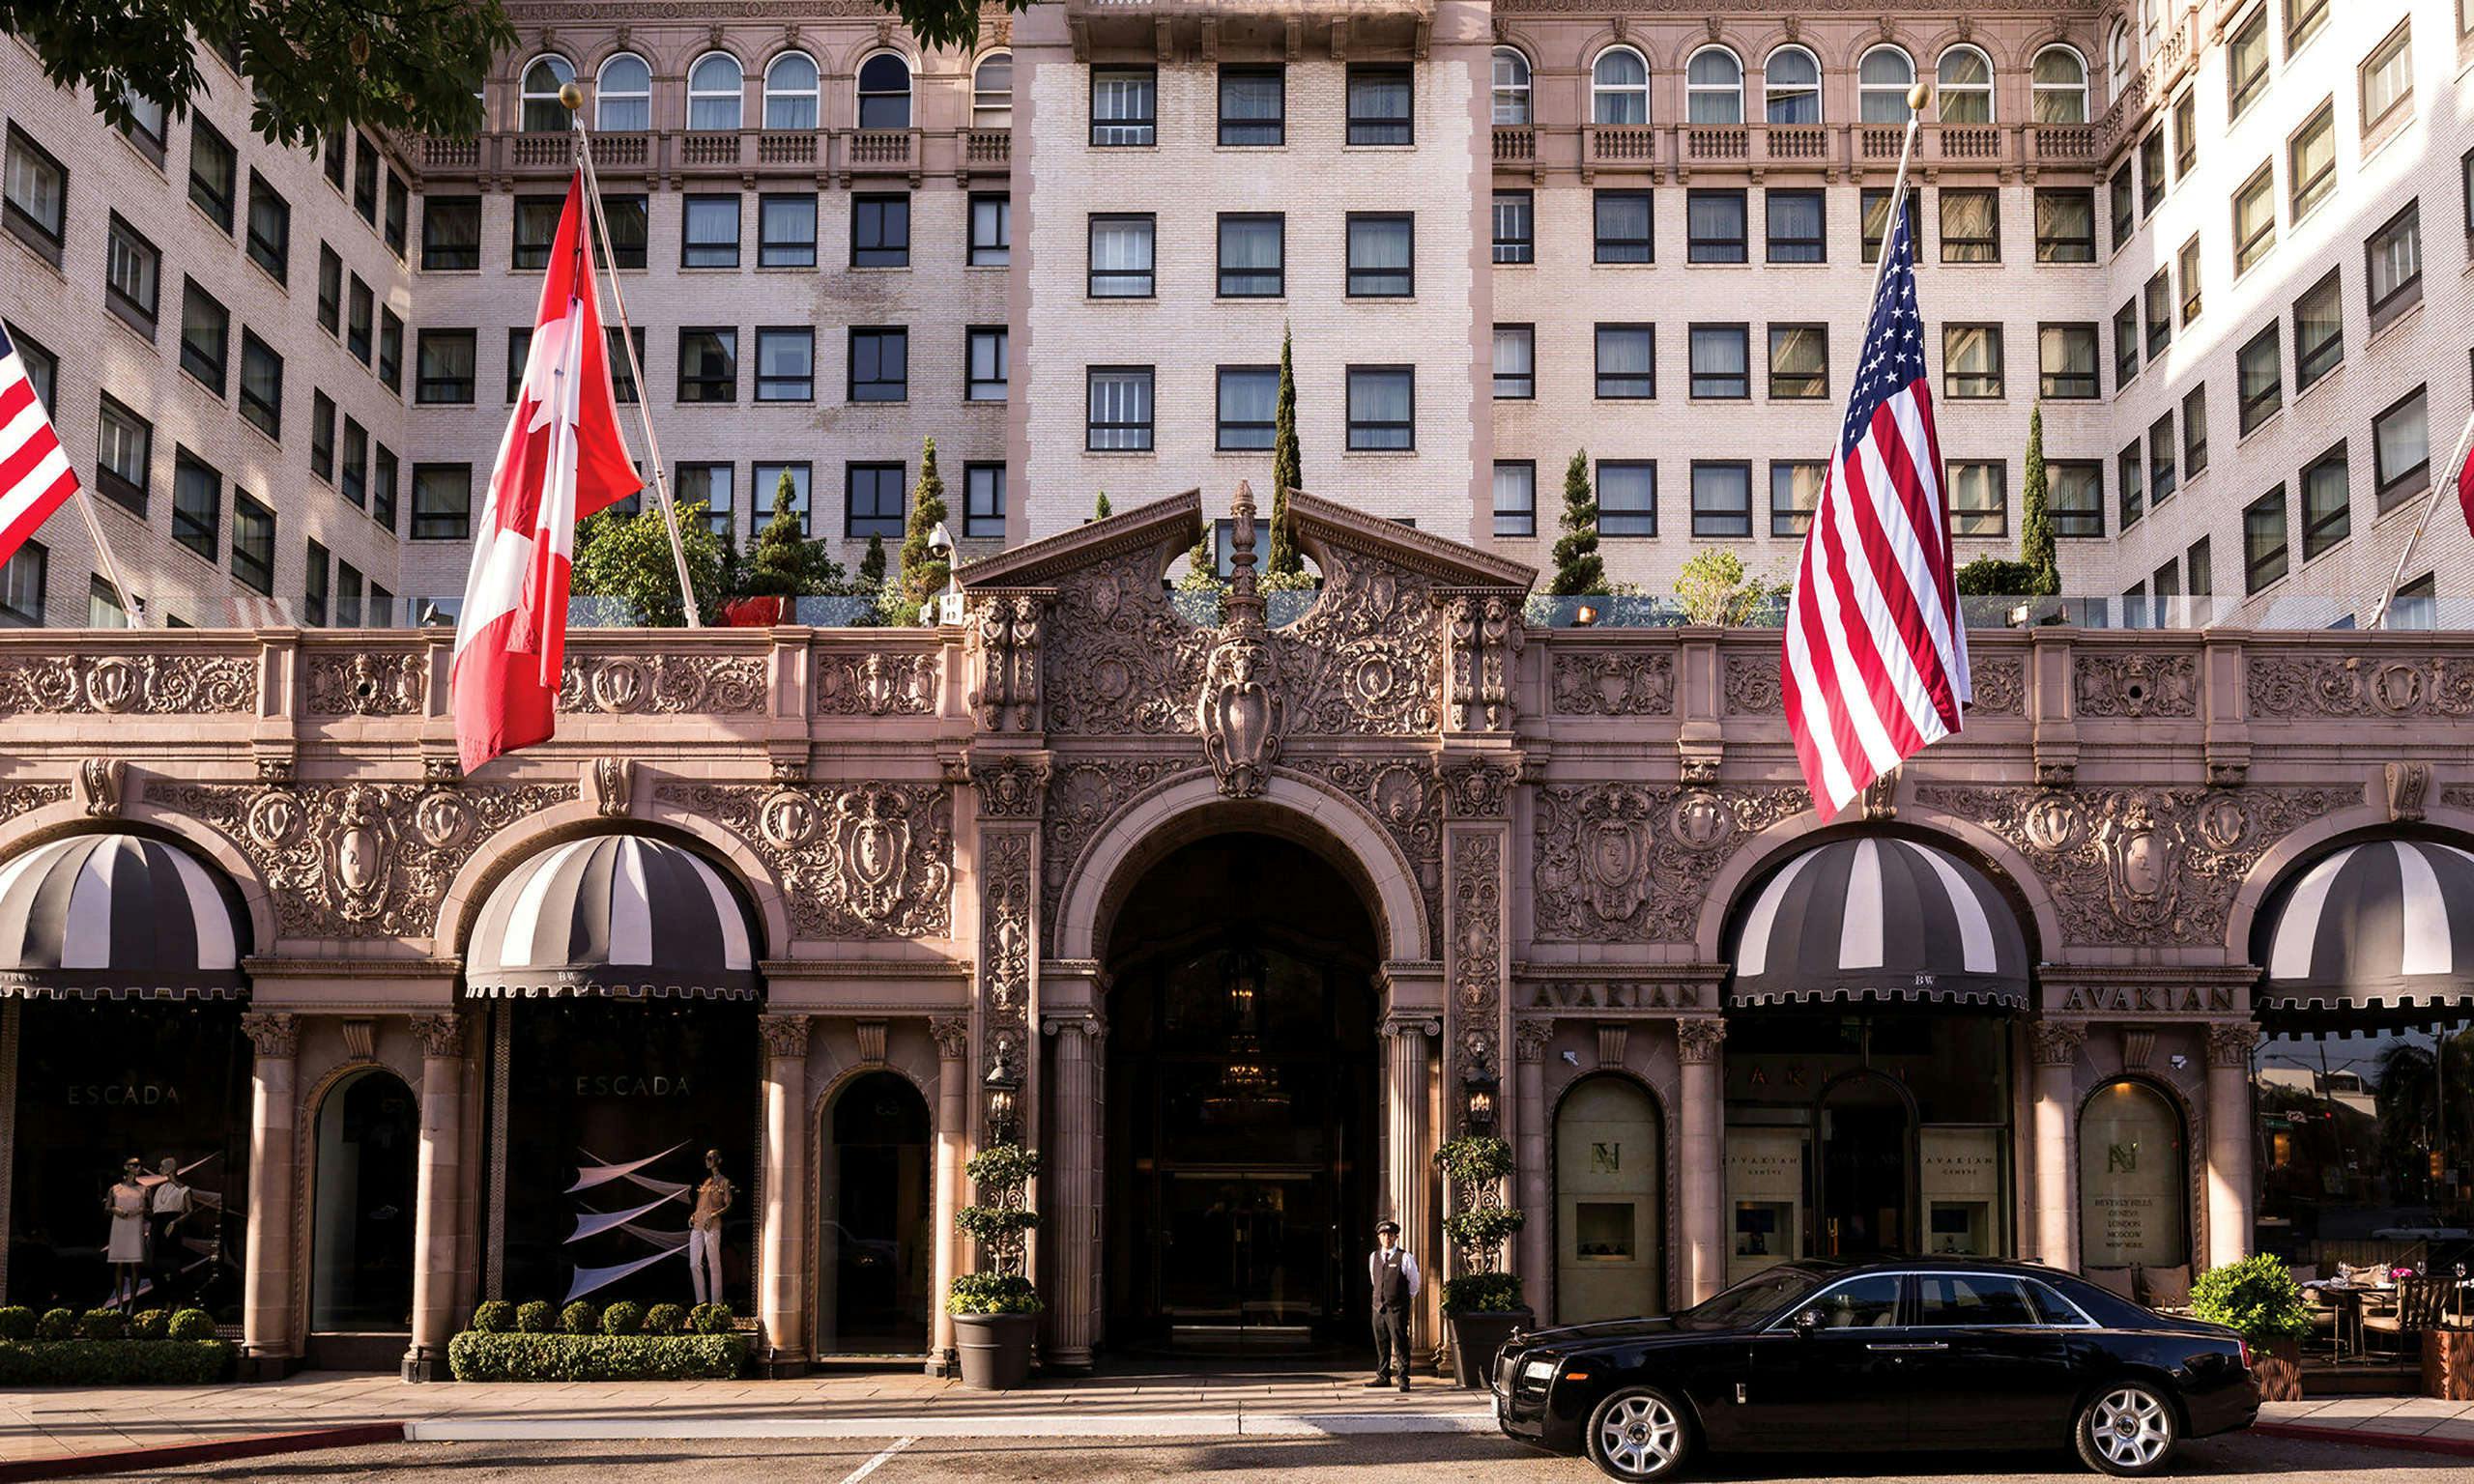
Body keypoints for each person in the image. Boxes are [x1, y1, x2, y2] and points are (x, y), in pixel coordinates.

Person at [1366, 1218, 1422, 1393]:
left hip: (1397, 1307)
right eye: (1383, 1235)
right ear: (1379, 1237)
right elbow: (1375, 1280)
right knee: (1381, 1342)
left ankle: (1403, 1378)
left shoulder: (1404, 1257)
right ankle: (1383, 1376)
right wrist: (1379, 1300)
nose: (1386, 1238)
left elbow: (1414, 1283)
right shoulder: (1374, 1257)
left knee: (1400, 1342)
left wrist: (1403, 1299)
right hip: (1378, 1307)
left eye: (1389, 1235)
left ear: (1396, 1237)